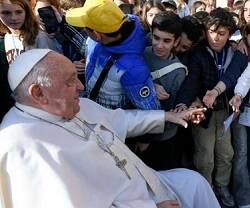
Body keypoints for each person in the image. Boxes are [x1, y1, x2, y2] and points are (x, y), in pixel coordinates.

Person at [0, 49, 220, 208]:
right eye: (70, 81)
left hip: (144, 183)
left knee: (194, 182)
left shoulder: (76, 105)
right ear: (38, 93)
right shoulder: (20, 145)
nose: (81, 86)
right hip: (130, 202)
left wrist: (170, 116)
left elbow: (122, 120)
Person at [175, 8, 248, 207]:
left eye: (222, 33)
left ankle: (221, 186)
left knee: (227, 154)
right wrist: (185, 103)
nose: (215, 37)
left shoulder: (236, 53)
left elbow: (233, 77)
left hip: (225, 111)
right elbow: (190, 80)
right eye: (212, 31)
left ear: (230, 34)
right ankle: (204, 191)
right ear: (205, 30)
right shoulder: (197, 52)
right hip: (203, 113)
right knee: (204, 156)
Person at [66, 0, 161, 110]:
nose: (84, 30)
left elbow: (150, 111)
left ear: (97, 34)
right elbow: (87, 46)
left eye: (85, 28)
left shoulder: (133, 69)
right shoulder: (110, 29)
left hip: (110, 124)